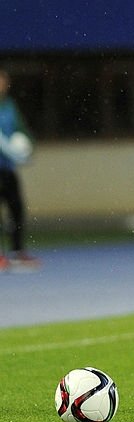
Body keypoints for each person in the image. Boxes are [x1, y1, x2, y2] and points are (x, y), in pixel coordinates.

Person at [0, 68, 39, 272]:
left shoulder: (9, 106)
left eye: (3, 80)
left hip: (7, 168)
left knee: (16, 209)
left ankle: (17, 251)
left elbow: (20, 129)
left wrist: (28, 146)